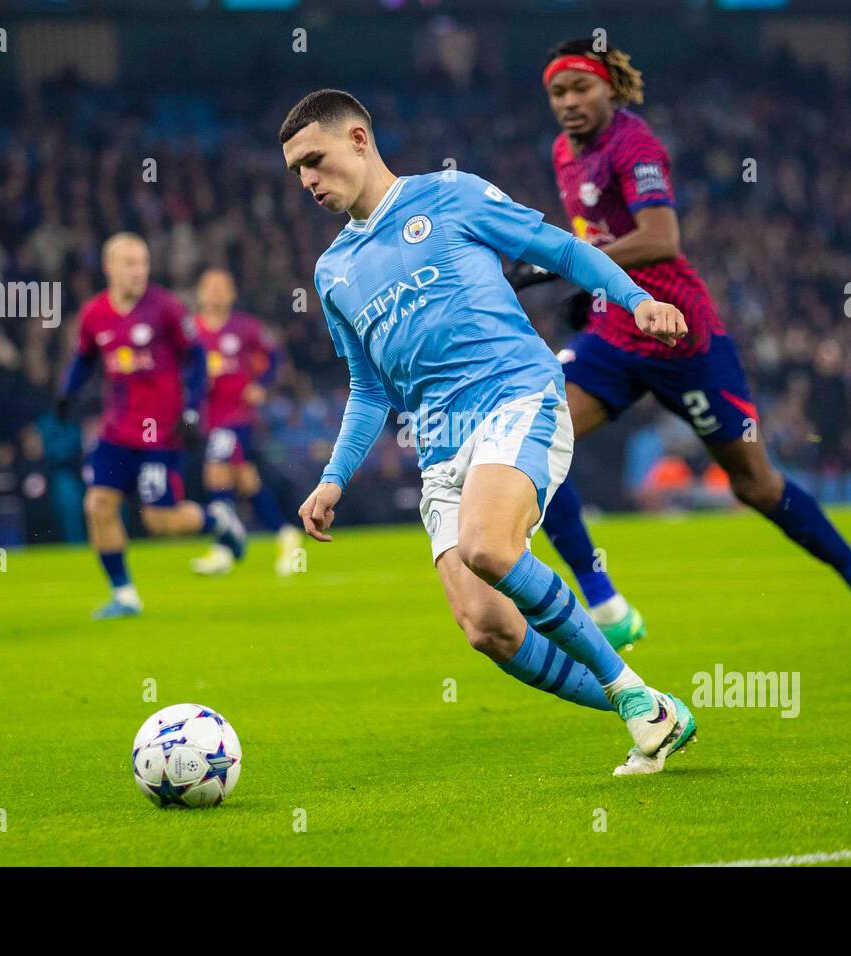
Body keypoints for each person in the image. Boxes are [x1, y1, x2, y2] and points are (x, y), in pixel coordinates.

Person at [281, 88, 696, 775]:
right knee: (489, 628)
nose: (308, 182)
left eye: (315, 161)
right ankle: (653, 705)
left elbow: (560, 249)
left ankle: (632, 699)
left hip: (516, 396)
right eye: (297, 172)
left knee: (487, 546)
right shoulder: (333, 273)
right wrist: (332, 479)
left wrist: (638, 299)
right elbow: (368, 389)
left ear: (358, 139)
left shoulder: (448, 196)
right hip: (440, 447)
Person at [519, 38, 851, 671]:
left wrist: (568, 264)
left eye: (580, 88)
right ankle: (607, 606)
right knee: (537, 440)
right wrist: (588, 290)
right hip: (616, 336)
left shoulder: (634, 144)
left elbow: (661, 237)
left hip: (683, 339)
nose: (568, 103)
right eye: (557, 93)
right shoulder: (564, 152)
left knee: (754, 483)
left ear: (610, 88)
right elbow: (601, 239)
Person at [58, 233, 246, 620]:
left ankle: (218, 520)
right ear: (109, 267)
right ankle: (124, 595)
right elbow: (84, 359)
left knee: (160, 521)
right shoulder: (94, 314)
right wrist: (66, 394)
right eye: (129, 263)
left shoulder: (166, 309)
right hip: (116, 432)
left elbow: (197, 360)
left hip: (160, 434)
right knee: (98, 505)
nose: (137, 271)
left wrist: (194, 411)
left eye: (143, 262)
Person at [189, 268, 304, 577]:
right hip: (208, 419)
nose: (215, 293)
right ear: (199, 293)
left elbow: (275, 356)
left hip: (238, 416)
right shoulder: (192, 331)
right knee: (244, 479)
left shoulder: (245, 327)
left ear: (232, 293)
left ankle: (224, 545)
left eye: (221, 287)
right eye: (209, 287)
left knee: (215, 470)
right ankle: (284, 533)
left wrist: (261, 385)